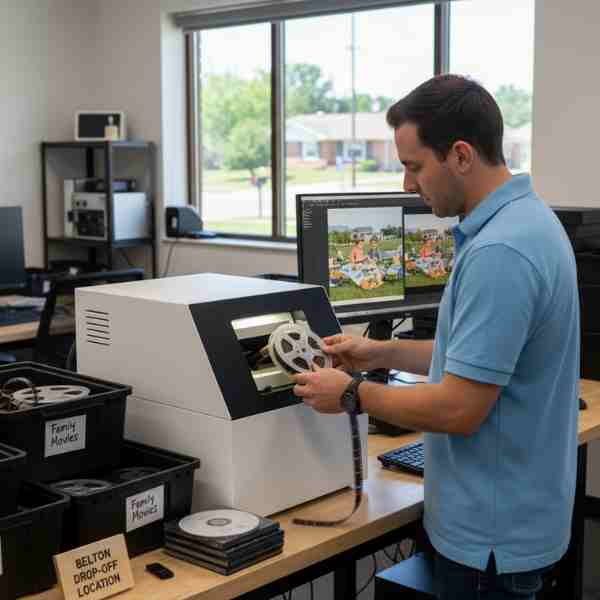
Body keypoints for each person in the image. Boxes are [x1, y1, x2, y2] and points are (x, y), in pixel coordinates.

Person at [292, 74, 579, 600]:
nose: (407, 185)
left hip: (488, 542)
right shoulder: (527, 221)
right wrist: (379, 351)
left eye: (414, 166)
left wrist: (351, 395)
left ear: (462, 156)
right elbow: (474, 358)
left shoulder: (501, 253)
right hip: (515, 520)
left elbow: (458, 409)